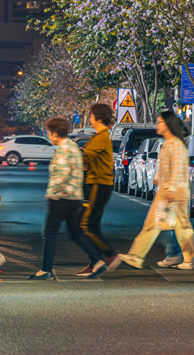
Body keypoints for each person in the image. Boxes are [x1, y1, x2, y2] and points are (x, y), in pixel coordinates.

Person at [119, 111, 194, 270]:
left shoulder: (176, 144)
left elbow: (177, 169)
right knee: (152, 224)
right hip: (166, 191)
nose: (157, 125)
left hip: (175, 192)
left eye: (159, 122)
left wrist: (171, 189)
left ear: (168, 124)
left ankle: (192, 260)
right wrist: (158, 178)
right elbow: (165, 167)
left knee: (182, 227)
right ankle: (136, 256)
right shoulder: (167, 143)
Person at [28, 117, 108, 280]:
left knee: (49, 232)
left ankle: (46, 270)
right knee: (76, 233)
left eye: (49, 133)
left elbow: (62, 174)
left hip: (62, 197)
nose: (49, 136)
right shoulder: (73, 147)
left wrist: (52, 193)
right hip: (75, 197)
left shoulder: (64, 149)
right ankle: (97, 261)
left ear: (55, 133)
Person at [78, 103, 120, 275]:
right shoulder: (101, 137)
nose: (90, 119)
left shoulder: (101, 137)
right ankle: (95, 261)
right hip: (98, 184)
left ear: (99, 118)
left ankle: (109, 255)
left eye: (91, 116)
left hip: (98, 184)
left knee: (85, 225)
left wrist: (75, 153)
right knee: (93, 225)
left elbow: (85, 157)